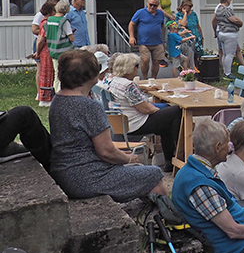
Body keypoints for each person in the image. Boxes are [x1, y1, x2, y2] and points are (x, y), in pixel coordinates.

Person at [49, 49, 166, 202]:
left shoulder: (57, 101)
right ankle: (168, 220)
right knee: (154, 174)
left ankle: (154, 218)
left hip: (65, 174)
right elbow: (106, 151)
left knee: (141, 173)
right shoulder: (88, 106)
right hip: (89, 178)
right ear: (91, 75)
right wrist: (128, 158)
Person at [172, 119, 244, 253]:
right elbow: (233, 231)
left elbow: (224, 211)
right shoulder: (199, 185)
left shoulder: (196, 170)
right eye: (227, 143)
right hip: (235, 249)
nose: (230, 147)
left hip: (241, 236)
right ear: (218, 147)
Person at [108, 53, 182, 172]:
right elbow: (146, 109)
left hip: (124, 122)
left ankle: (169, 160)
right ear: (128, 68)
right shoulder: (128, 86)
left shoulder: (113, 81)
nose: (138, 68)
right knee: (176, 111)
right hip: (137, 124)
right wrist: (159, 111)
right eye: (136, 66)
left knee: (167, 119)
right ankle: (179, 153)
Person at [128, 0, 167, 79]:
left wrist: (163, 39)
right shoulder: (140, 12)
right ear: (147, 3)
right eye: (151, 4)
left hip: (157, 41)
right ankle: (145, 77)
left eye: (155, 5)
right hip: (144, 41)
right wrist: (132, 37)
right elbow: (131, 24)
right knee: (145, 60)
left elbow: (162, 26)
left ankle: (153, 78)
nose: (152, 7)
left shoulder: (160, 13)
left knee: (157, 61)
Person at [43, 0, 75, 92]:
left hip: (53, 50)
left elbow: (46, 33)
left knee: (57, 73)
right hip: (64, 51)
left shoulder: (49, 20)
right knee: (65, 73)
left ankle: (56, 92)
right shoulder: (64, 21)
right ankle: (63, 92)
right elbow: (71, 38)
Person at [213, 0, 242, 79]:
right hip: (229, 34)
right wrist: (240, 22)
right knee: (229, 54)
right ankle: (228, 73)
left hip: (221, 32)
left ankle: (225, 71)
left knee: (225, 54)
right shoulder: (226, 10)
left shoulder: (218, 9)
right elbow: (234, 19)